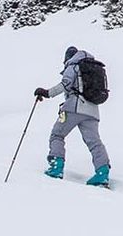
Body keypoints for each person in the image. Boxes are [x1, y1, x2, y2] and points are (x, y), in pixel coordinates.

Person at [34, 46, 110, 186]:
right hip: (92, 110)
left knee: (57, 134)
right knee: (94, 142)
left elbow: (66, 83)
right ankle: (102, 172)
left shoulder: (74, 65)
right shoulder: (92, 66)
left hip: (74, 107)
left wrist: (46, 93)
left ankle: (56, 167)